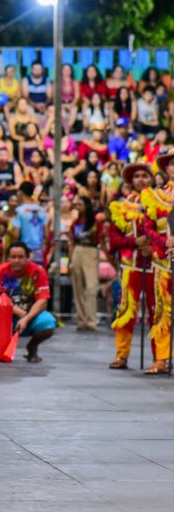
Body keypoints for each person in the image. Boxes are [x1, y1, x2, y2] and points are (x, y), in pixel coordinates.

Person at [108, 163, 155, 369]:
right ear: (131, 181)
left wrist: (152, 244)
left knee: (158, 312)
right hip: (131, 267)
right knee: (126, 311)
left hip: (157, 266)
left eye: (145, 175)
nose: (141, 179)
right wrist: (135, 242)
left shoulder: (161, 202)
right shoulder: (121, 206)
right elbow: (114, 240)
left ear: (151, 179)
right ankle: (122, 355)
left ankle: (160, 358)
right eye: (136, 176)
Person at [0, 241, 56, 363]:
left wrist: (26, 318)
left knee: (48, 324)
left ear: (28, 258)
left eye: (20, 257)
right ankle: (3, 345)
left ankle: (32, 347)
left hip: (29, 315)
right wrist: (16, 310)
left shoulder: (38, 272)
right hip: (3, 315)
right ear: (8, 258)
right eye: (13, 257)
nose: (16, 260)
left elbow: (42, 302)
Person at [139, 151, 174, 374]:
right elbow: (148, 227)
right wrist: (165, 243)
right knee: (161, 309)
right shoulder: (153, 195)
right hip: (163, 259)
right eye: (171, 164)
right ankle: (162, 358)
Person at [68, 195, 102, 331]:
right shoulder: (75, 223)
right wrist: (70, 260)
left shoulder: (95, 222)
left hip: (91, 251)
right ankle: (82, 319)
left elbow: (101, 239)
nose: (77, 207)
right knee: (78, 286)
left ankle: (91, 320)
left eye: (80, 204)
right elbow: (71, 241)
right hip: (77, 251)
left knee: (91, 286)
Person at [11, 181, 46, 265]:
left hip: (24, 250)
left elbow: (16, 234)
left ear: (20, 193)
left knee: (25, 275)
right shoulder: (42, 210)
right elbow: (46, 233)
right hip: (39, 250)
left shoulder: (19, 211)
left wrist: (8, 230)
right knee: (37, 274)